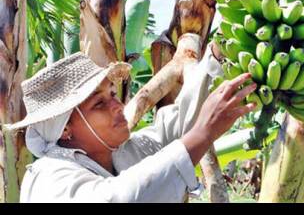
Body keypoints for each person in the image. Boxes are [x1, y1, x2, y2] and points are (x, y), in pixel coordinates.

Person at [4, 40, 257, 202]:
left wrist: (214, 56)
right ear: (64, 129)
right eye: (99, 103)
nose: (118, 106)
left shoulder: (124, 152)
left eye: (113, 94)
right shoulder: (48, 179)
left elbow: (177, 126)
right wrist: (201, 134)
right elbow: (117, 198)